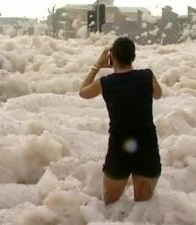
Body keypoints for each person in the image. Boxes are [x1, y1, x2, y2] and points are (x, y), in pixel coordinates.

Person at [79, 37, 163, 205]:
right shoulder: (147, 75)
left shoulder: (105, 83)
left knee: (110, 206)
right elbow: (158, 94)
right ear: (133, 56)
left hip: (119, 147)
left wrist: (97, 65)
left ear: (112, 58)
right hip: (147, 145)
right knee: (143, 209)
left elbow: (83, 92)